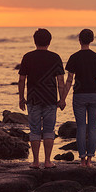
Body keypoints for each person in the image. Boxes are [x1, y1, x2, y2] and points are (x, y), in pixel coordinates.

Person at [18, 28, 65, 169]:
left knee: (34, 130)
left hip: (33, 99)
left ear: (34, 41)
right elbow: (60, 81)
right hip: (50, 99)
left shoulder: (28, 57)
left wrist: (21, 98)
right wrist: (62, 99)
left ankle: (36, 161)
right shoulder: (55, 57)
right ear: (49, 41)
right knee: (49, 130)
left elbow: (21, 80)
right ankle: (48, 161)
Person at [59, 29, 96, 167]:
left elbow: (69, 80)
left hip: (79, 95)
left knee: (80, 128)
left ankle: (82, 160)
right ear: (92, 40)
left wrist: (63, 99)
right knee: (92, 128)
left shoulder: (74, 57)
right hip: (94, 95)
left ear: (79, 40)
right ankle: (90, 160)